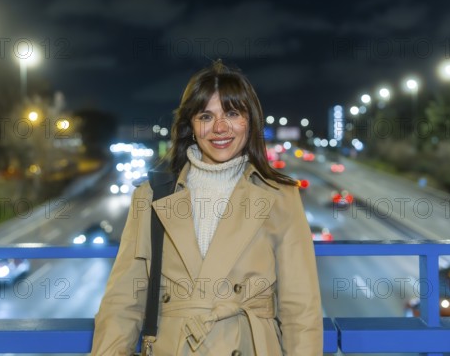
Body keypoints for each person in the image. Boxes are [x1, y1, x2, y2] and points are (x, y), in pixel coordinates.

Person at [91, 60, 323, 355]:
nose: (220, 128)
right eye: (206, 116)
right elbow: (123, 301)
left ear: (249, 121)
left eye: (232, 113)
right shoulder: (152, 195)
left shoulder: (280, 196)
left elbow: (300, 309)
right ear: (191, 125)